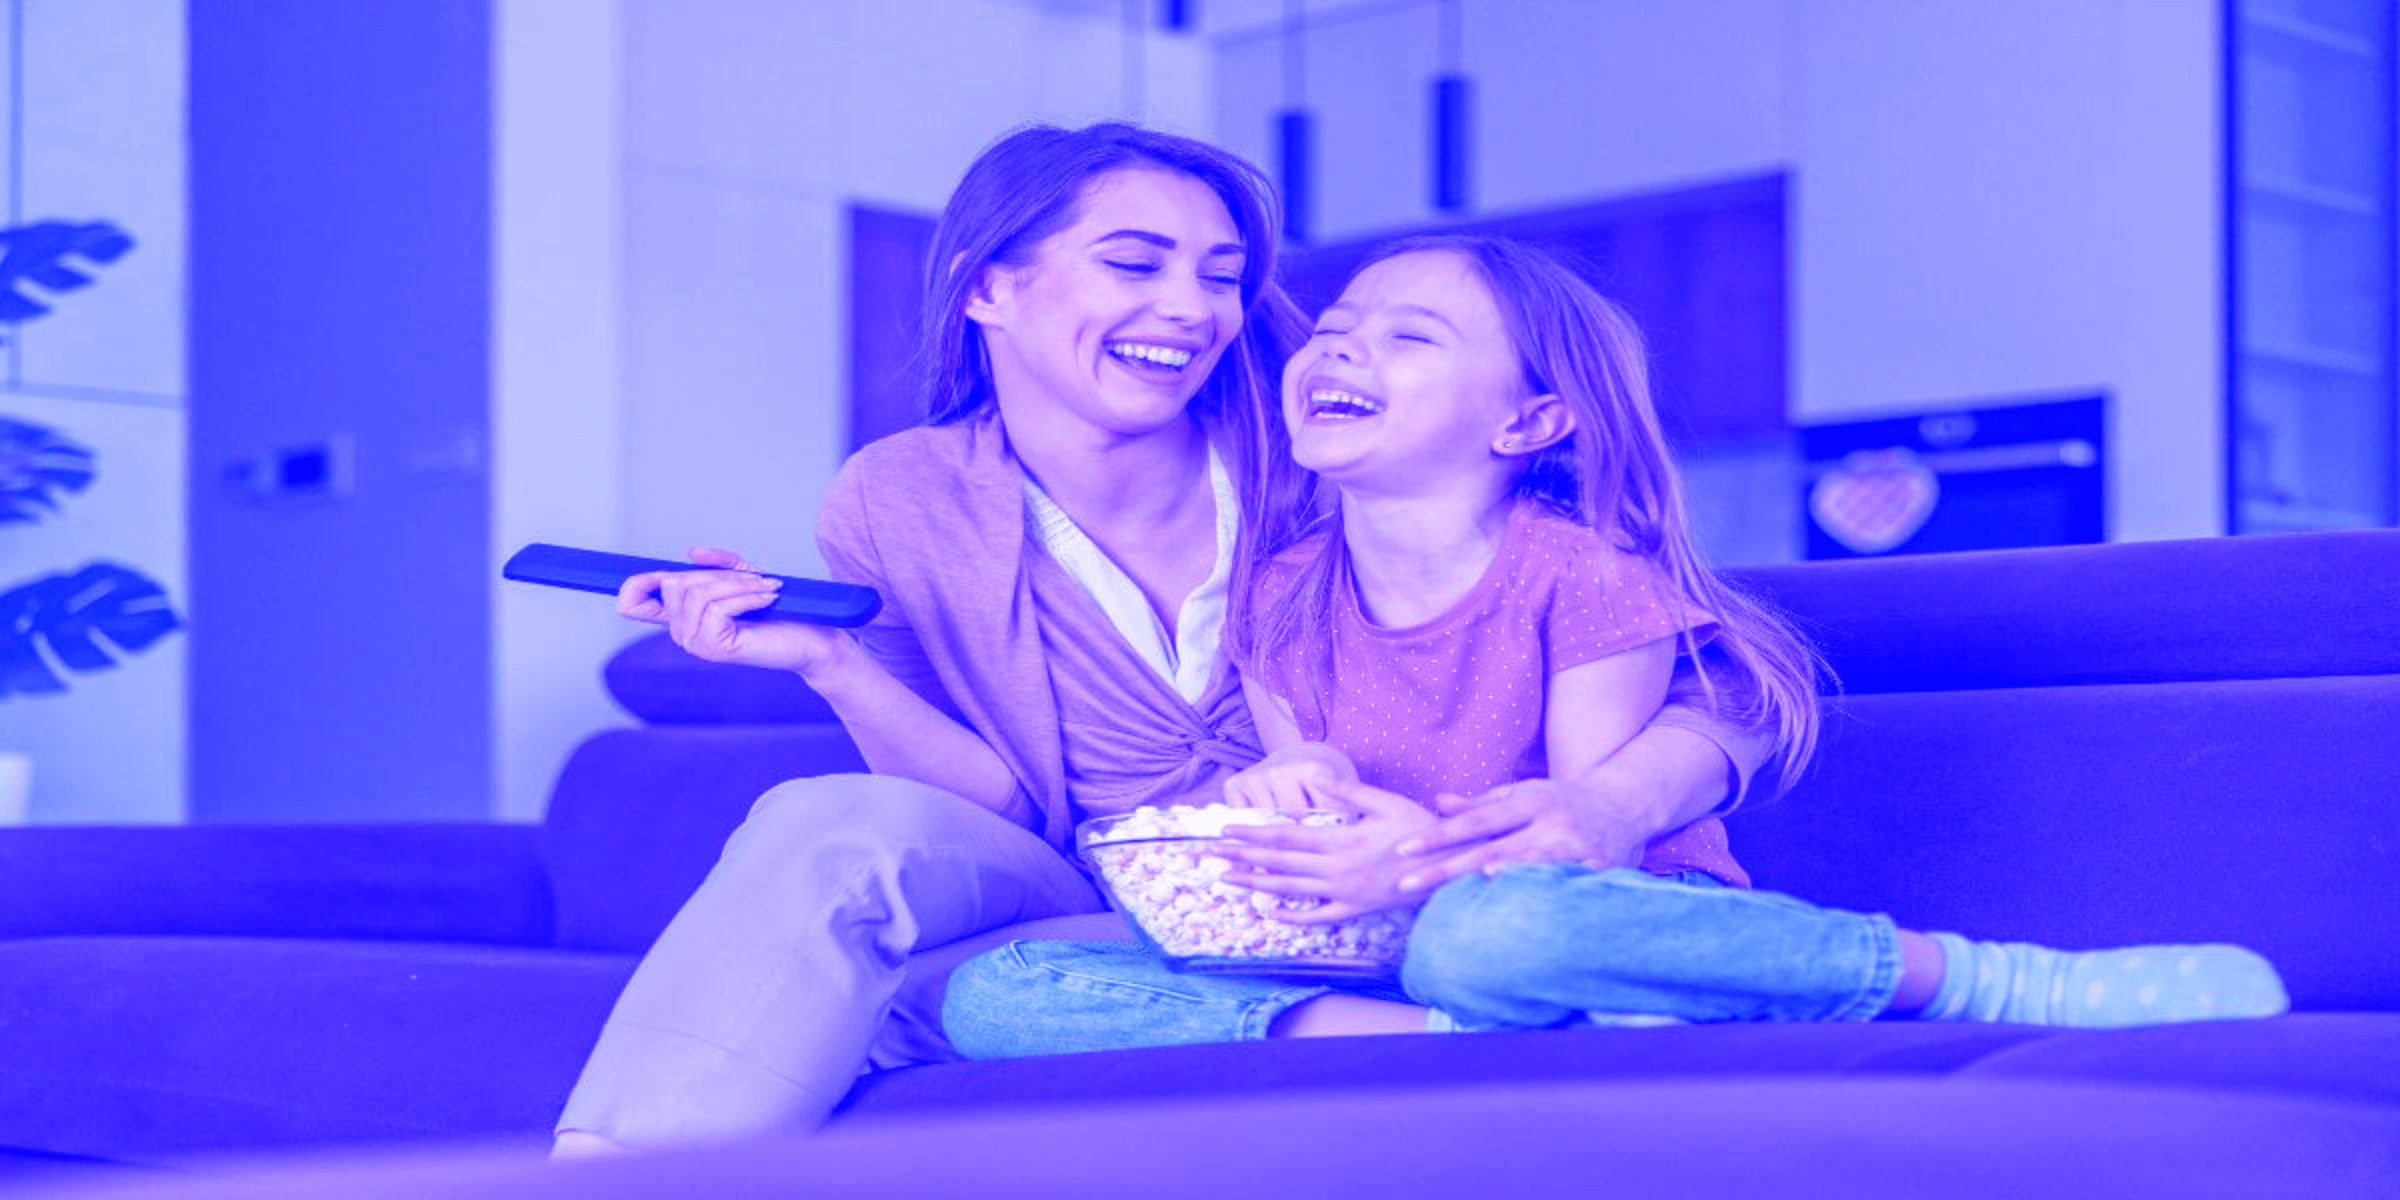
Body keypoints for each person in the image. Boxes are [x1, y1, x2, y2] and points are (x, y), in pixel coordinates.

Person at [552, 128, 1781, 1156]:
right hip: (1099, 883)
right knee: (829, 830)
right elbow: (991, 805)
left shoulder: (1327, 450)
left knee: (909, 1005)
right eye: (1135, 264)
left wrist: (1604, 807)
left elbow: (1716, 682)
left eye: (1220, 275)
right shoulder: (897, 500)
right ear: (990, 286)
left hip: (1347, 886)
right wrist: (832, 665)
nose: (1189, 312)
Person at [939, 236, 2290, 1055]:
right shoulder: (1283, 588)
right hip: (1381, 945)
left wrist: (1403, 861)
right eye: (1338, 329)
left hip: (1567, 907)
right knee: (1004, 992)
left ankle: (1975, 977)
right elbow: (1315, 772)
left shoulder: (1575, 575)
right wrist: (1285, 805)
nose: (1340, 348)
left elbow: (1592, 838)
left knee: (1497, 938)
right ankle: (1446, 1049)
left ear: (1528, 424)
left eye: (1408, 338)